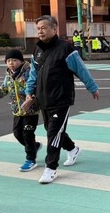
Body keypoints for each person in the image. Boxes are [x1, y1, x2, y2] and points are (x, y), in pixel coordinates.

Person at [22, 15, 100, 184]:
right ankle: (73, 149)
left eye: (43, 28)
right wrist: (29, 92)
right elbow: (33, 74)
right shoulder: (38, 50)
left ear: (54, 28)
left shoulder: (65, 48)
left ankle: (51, 168)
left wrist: (92, 87)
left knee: (53, 134)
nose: (40, 31)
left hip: (61, 99)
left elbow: (81, 69)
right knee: (53, 130)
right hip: (43, 99)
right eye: (38, 29)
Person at [0, 49, 41, 172]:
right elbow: (1, 93)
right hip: (17, 111)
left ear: (21, 61)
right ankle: (34, 147)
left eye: (14, 60)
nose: (11, 63)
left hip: (31, 111)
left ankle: (30, 159)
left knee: (27, 134)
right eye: (8, 61)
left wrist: (32, 98)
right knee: (17, 134)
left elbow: (38, 89)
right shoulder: (8, 76)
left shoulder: (29, 72)